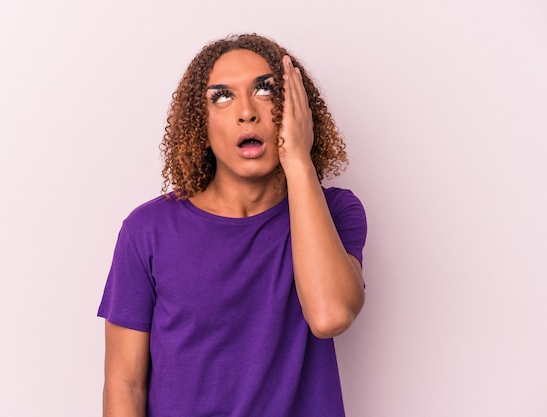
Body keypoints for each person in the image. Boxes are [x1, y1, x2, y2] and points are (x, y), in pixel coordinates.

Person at [97, 33, 367, 417]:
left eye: (265, 90)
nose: (246, 112)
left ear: (297, 111)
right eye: (221, 97)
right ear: (200, 126)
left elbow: (330, 316)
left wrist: (299, 162)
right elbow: (126, 382)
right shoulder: (148, 230)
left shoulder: (337, 211)